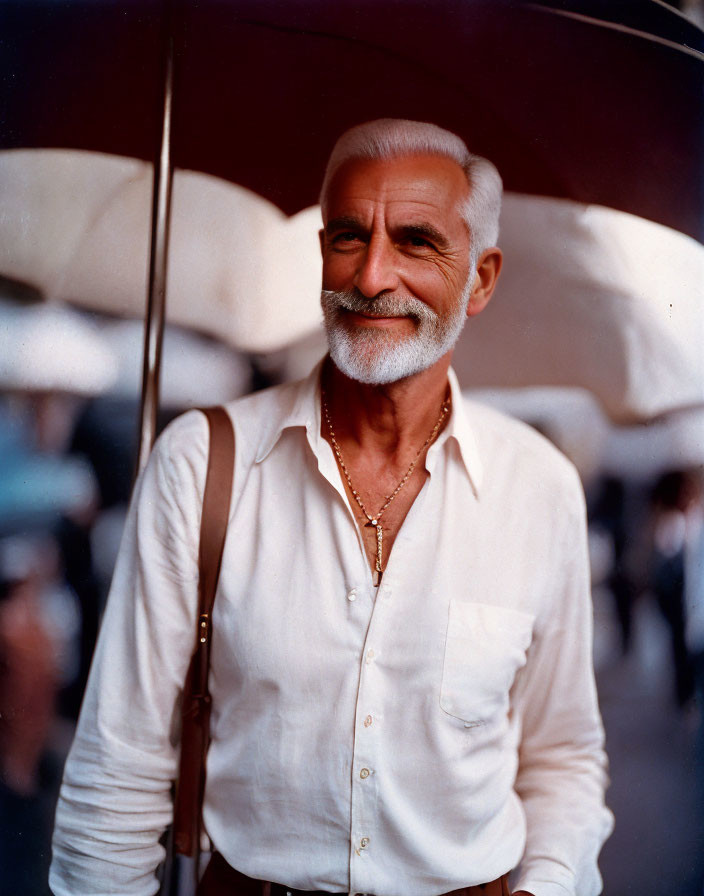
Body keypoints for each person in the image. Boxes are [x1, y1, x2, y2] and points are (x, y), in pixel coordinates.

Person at [50, 119, 613, 896]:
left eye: (416, 241)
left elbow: (563, 756)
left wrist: (547, 886)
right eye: (350, 236)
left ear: (480, 279)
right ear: (322, 254)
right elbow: (117, 769)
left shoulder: (539, 488)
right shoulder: (202, 464)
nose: (373, 275)